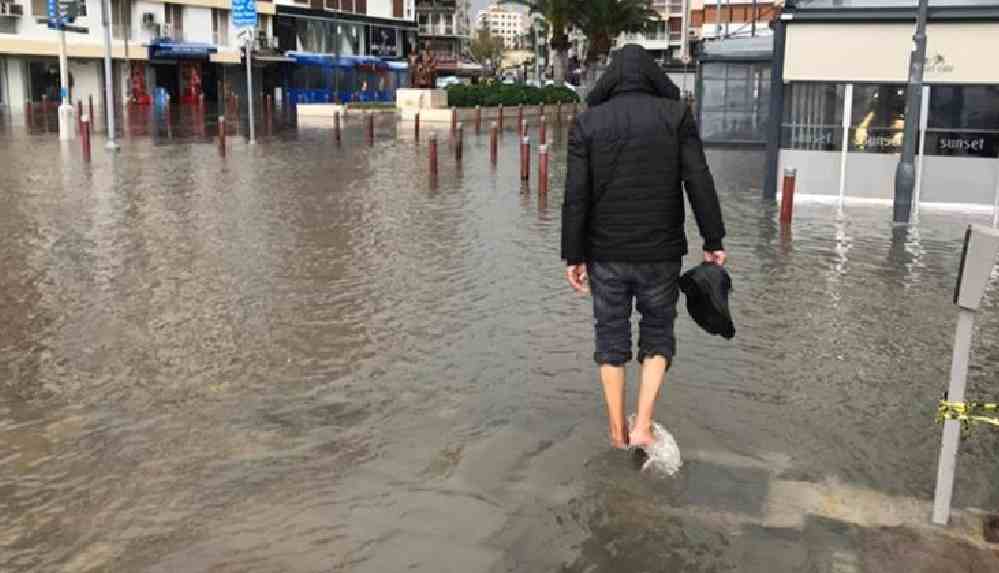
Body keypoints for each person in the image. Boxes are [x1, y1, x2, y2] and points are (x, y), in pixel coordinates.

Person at [561, 44, 726, 450]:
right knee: (657, 335)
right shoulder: (676, 117)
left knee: (610, 339)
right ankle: (643, 425)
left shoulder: (588, 123)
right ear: (654, 77)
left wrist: (574, 255)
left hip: (605, 254)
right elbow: (699, 180)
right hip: (660, 254)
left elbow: (576, 196)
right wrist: (713, 240)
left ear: (612, 80)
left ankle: (617, 432)